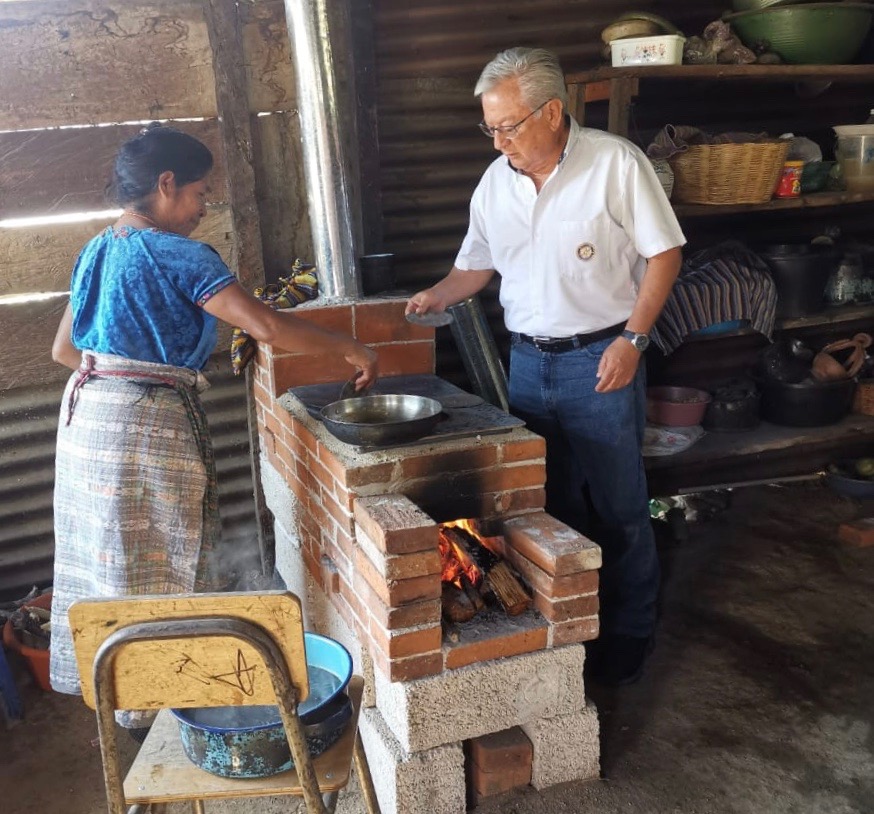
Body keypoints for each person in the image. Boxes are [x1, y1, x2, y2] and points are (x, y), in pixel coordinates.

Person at [49, 124, 378, 719]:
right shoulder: (178, 253)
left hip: (86, 421)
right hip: (142, 427)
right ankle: (167, 703)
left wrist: (116, 378)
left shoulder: (97, 248)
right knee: (162, 562)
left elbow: (63, 351)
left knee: (111, 564)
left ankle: (126, 700)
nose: (204, 209)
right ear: (166, 184)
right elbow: (267, 327)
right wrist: (351, 348)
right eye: (200, 194)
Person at [406, 48, 685, 686]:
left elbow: (664, 254)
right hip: (529, 364)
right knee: (551, 509)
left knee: (618, 505)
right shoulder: (495, 182)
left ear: (554, 111)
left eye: (510, 125)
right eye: (490, 128)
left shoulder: (614, 163)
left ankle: (629, 632)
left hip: (602, 356)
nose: (500, 140)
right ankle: (572, 632)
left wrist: (634, 341)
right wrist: (437, 295)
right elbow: (476, 264)